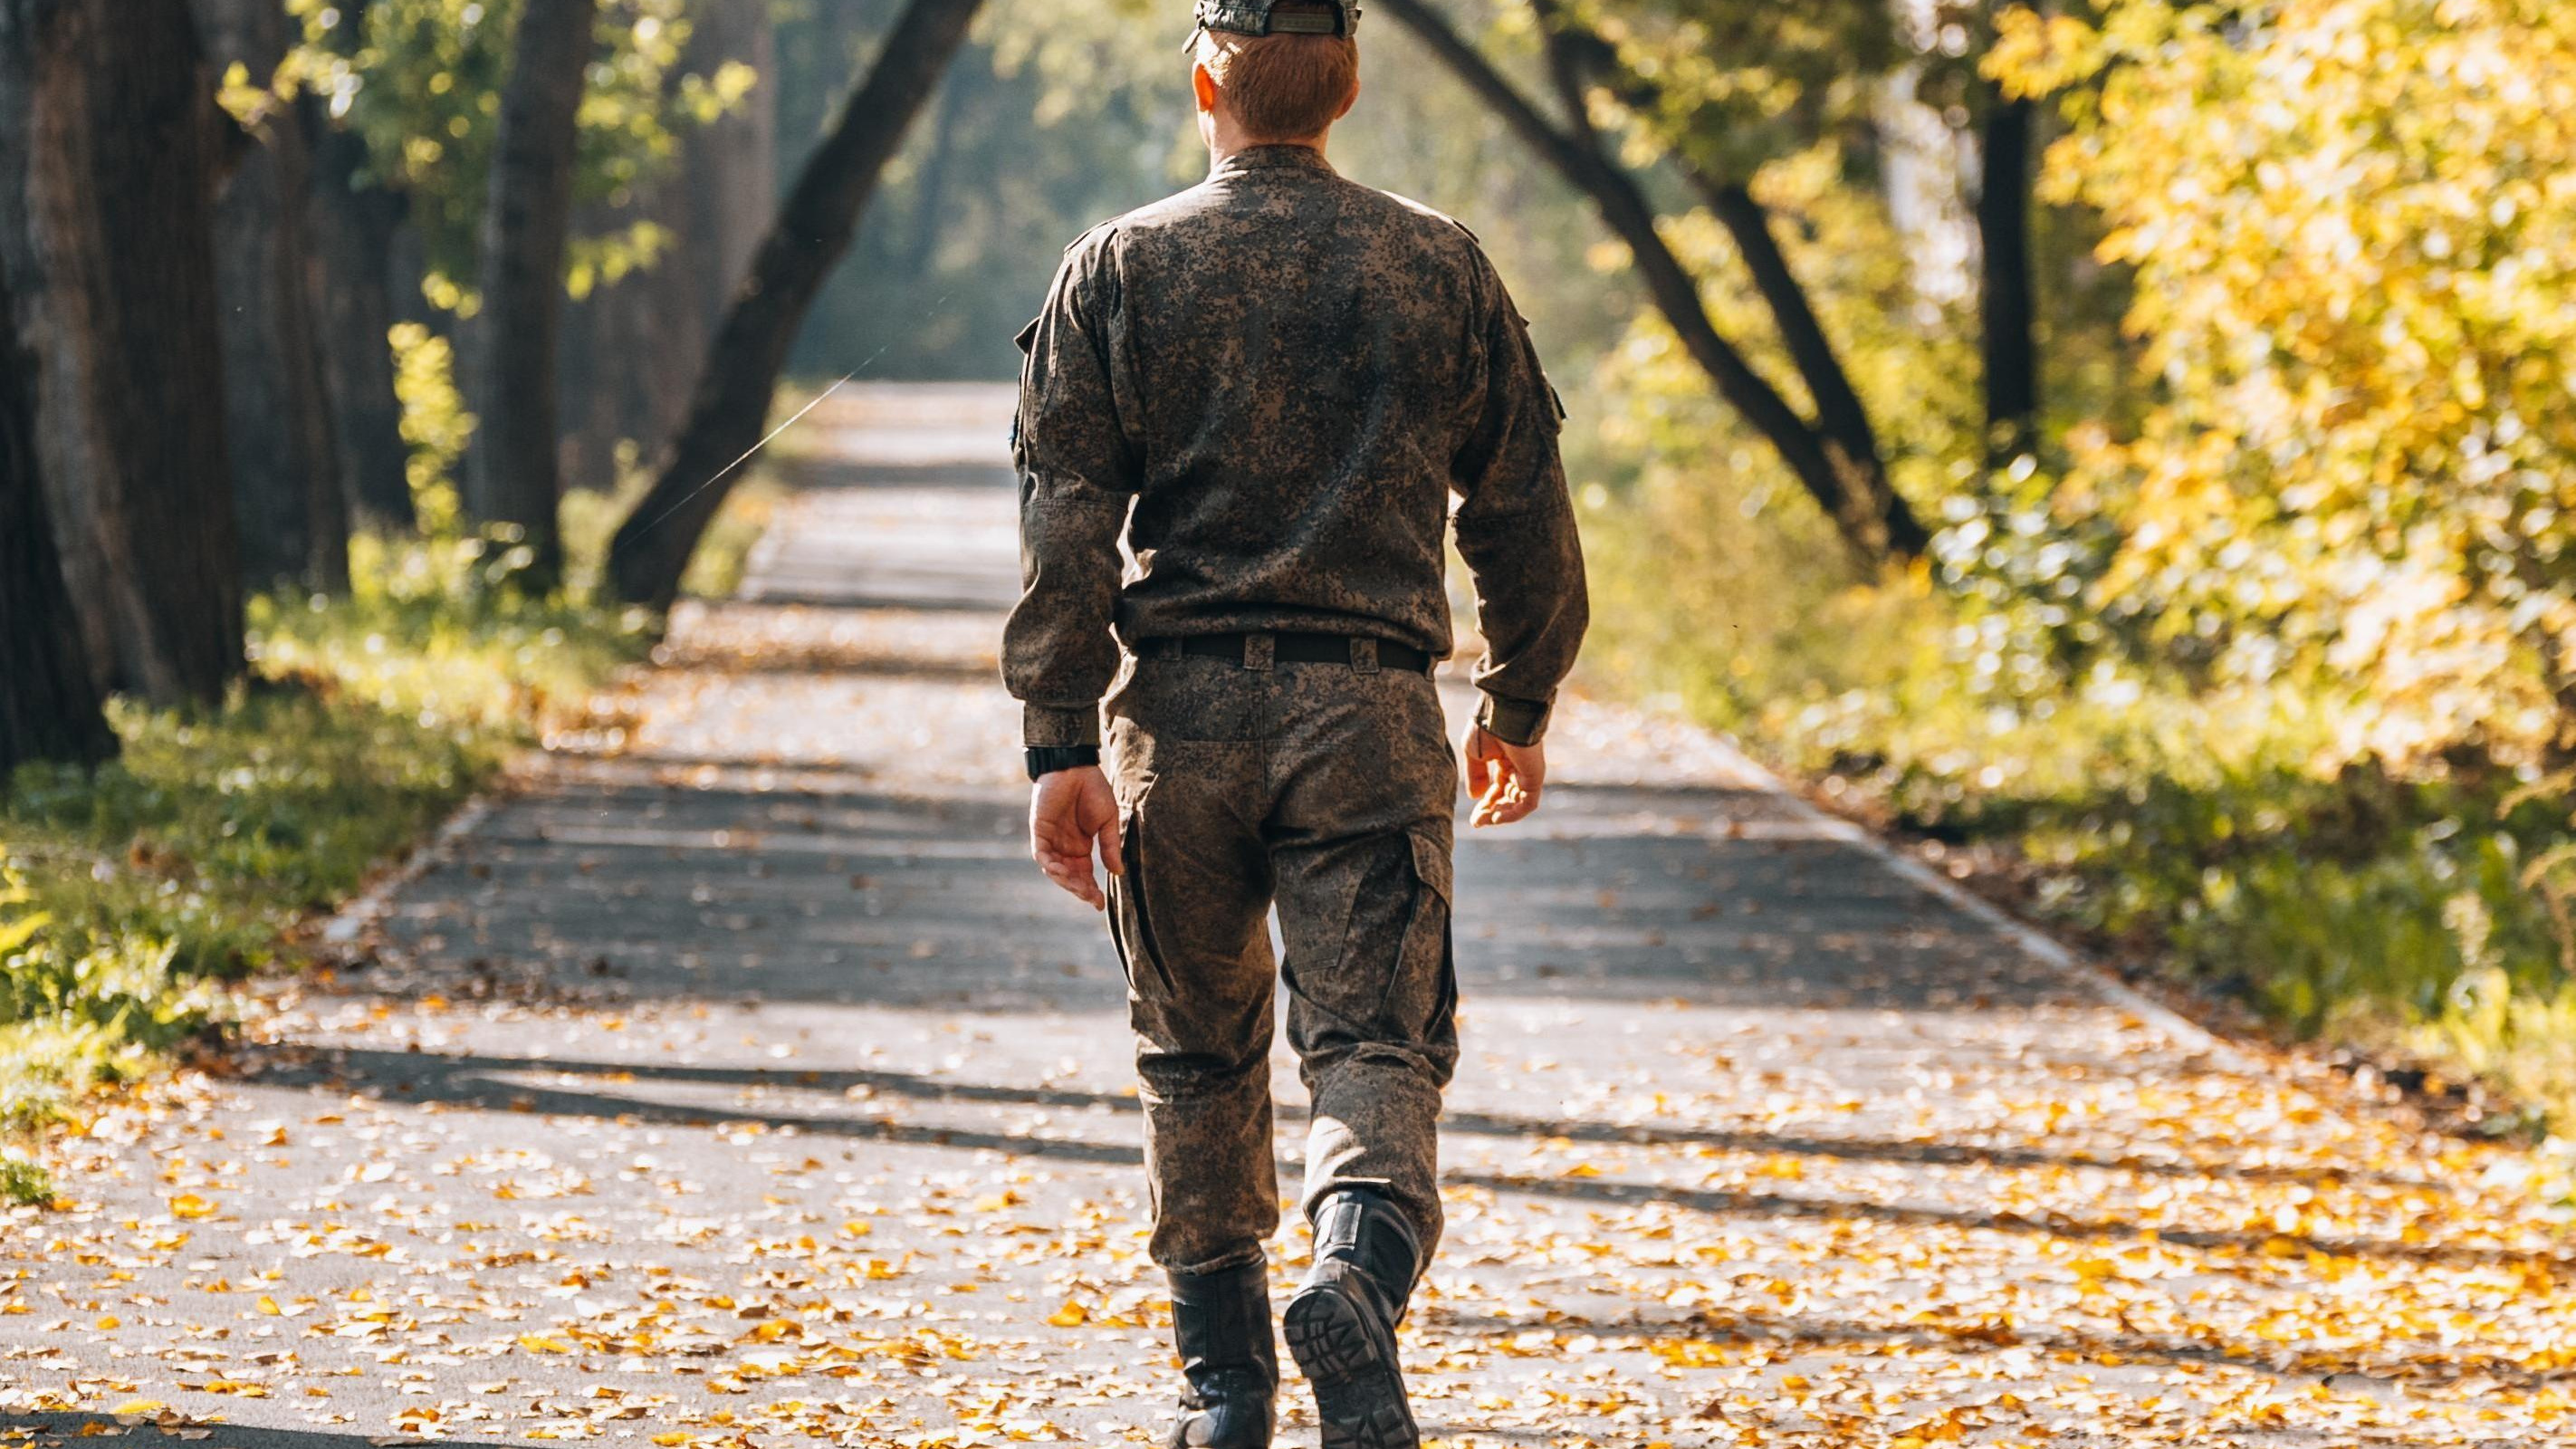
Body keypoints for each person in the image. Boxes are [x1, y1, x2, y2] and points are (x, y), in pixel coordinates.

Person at [1003, 2, 1587, 1443]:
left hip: (1177, 729)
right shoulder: (1435, 262)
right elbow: (1520, 508)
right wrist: (1516, 697)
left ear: (1206, 79)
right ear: (1348, 88)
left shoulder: (1121, 267)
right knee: (1376, 1045)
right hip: (1370, 716)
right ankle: (1355, 1276)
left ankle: (1224, 1394)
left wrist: (1058, 742)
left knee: (1194, 1055)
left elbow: (1065, 527)